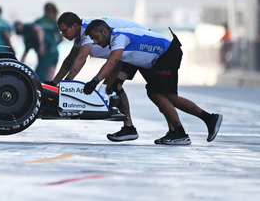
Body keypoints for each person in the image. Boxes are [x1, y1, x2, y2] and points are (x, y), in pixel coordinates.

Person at [84, 19, 223, 145]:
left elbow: (111, 62)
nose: (95, 43)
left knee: (163, 95)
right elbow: (118, 66)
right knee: (154, 93)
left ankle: (182, 132)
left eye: (95, 38)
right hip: (157, 59)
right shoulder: (117, 40)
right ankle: (203, 121)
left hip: (167, 53)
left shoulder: (119, 37)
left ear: (104, 31)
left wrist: (94, 81)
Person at [52, 12, 147, 142]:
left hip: (138, 43)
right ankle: (129, 127)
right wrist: (54, 82)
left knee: (114, 86)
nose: (62, 35)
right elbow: (70, 60)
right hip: (123, 50)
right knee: (114, 86)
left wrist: (68, 83)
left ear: (74, 26)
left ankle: (129, 127)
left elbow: (81, 58)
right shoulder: (81, 34)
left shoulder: (88, 30)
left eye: (64, 31)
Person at [28, 2, 61, 81]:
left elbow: (35, 33)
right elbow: (61, 37)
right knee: (50, 79)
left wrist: (41, 45)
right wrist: (55, 45)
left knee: (39, 76)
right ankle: (50, 92)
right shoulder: (54, 22)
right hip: (54, 50)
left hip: (44, 49)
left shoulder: (39, 21)